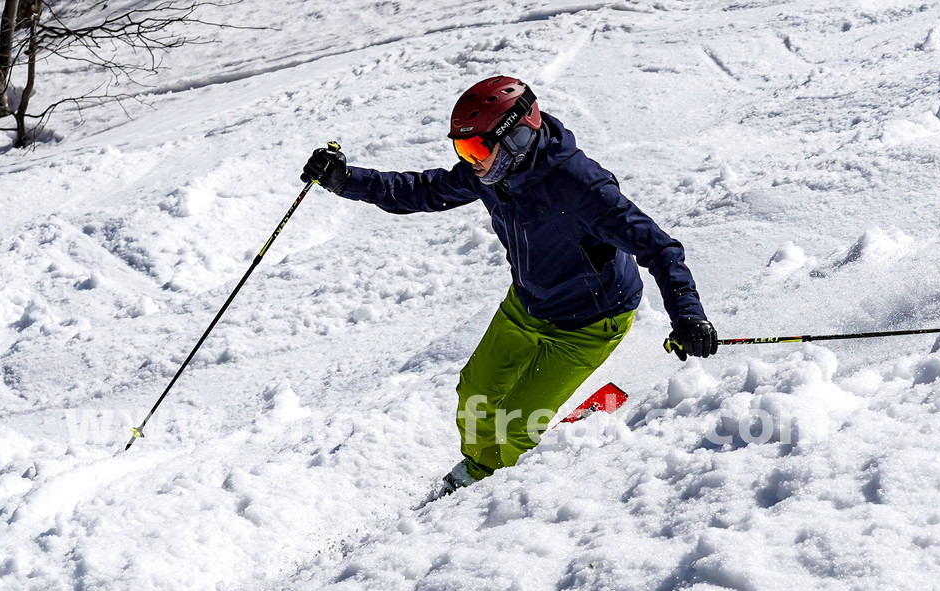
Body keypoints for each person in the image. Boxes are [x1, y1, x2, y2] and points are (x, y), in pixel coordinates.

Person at [302, 76, 717, 496]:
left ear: (517, 136)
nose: (470, 161)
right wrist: (345, 179)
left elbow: (660, 247)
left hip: (590, 322)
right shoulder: (493, 173)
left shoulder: (581, 186)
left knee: (516, 426)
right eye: (462, 150)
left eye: (477, 149)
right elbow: (423, 191)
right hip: (528, 303)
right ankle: (482, 470)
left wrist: (689, 316)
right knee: (476, 398)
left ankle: (498, 497)